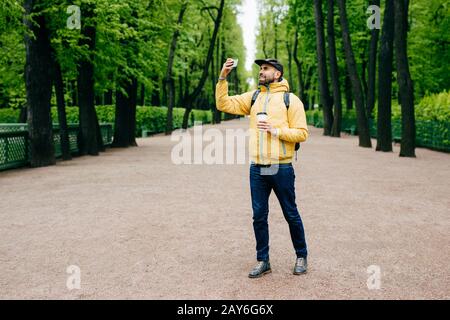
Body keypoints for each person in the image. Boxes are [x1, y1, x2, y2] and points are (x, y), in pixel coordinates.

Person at [215, 58, 310, 278]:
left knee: (290, 213)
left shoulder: (290, 100)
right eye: (260, 69)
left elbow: (302, 133)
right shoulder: (254, 97)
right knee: (259, 216)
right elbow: (223, 104)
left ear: (277, 74)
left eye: (266, 69)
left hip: (281, 167)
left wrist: (276, 131)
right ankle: (263, 260)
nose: (261, 71)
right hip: (257, 168)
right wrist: (223, 77)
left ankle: (302, 255)